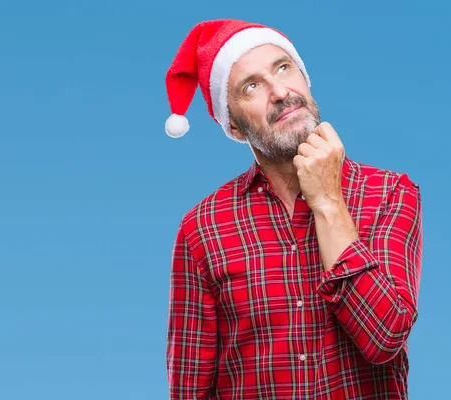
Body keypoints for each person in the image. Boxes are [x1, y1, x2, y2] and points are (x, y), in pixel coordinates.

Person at [164, 19, 423, 400]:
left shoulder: (388, 193)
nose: (280, 92)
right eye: (251, 86)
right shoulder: (202, 229)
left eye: (284, 68)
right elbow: (190, 388)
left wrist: (328, 202)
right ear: (234, 126)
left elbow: (384, 336)